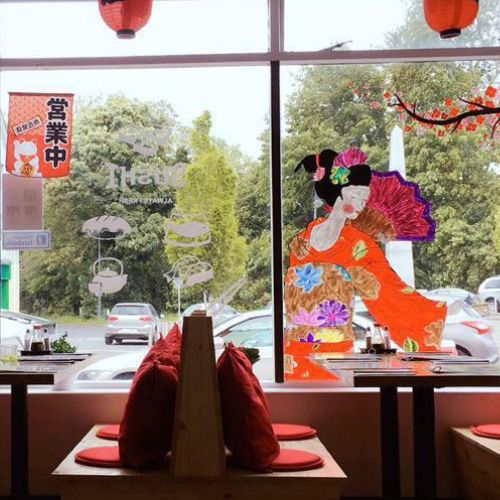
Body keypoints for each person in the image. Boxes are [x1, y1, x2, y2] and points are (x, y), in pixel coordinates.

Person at [284, 148, 447, 380]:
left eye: (364, 199)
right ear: (337, 194)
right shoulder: (300, 243)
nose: (360, 205)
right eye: (355, 196)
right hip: (293, 352)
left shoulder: (357, 245)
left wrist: (432, 312)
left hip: (333, 353)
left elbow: (389, 291)